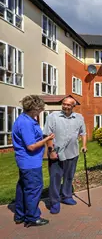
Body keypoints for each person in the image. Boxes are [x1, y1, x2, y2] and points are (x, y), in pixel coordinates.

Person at [12, 95, 55, 227]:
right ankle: (32, 217)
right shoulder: (25, 123)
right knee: (34, 189)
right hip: (30, 162)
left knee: (23, 188)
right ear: (34, 109)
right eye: (40, 109)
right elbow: (31, 146)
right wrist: (47, 139)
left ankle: (20, 215)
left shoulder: (25, 119)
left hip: (25, 161)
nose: (41, 111)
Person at [43, 96, 87, 214]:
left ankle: (67, 196)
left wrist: (84, 145)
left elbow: (83, 133)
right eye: (64, 104)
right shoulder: (53, 116)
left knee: (69, 176)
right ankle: (55, 202)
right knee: (55, 178)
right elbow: (47, 134)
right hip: (56, 153)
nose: (66, 106)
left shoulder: (79, 118)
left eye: (69, 105)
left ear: (74, 106)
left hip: (72, 153)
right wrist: (51, 151)